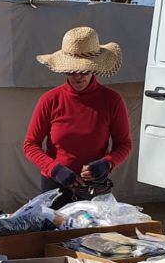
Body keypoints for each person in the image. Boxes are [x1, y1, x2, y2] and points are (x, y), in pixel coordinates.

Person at [24, 26, 132, 205]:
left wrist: (107, 163)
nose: (78, 77)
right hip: (55, 186)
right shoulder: (50, 100)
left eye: (84, 71)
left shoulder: (112, 100)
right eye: (71, 71)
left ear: (95, 68)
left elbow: (124, 144)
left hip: (94, 187)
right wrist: (54, 169)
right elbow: (30, 145)